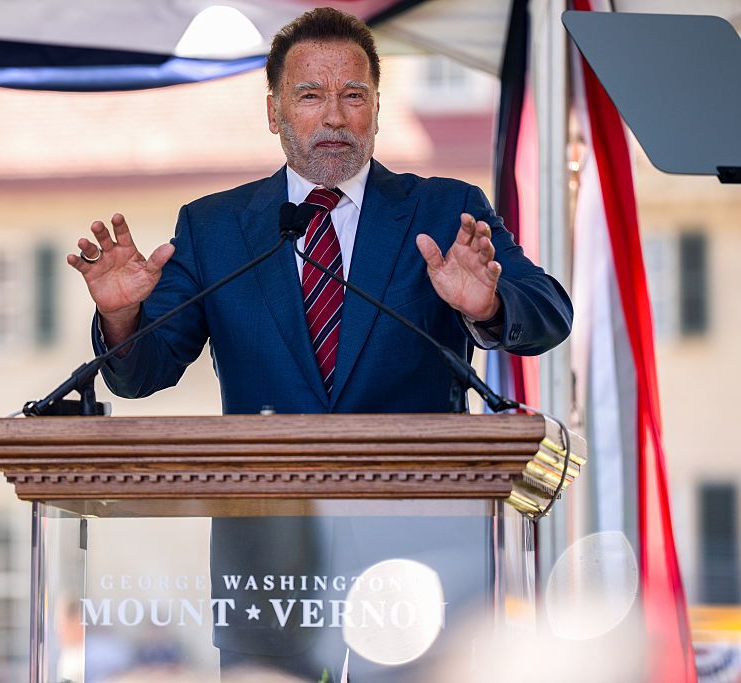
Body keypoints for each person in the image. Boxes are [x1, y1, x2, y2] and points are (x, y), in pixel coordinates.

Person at [68, 7, 573, 680]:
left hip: (422, 556)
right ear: (274, 112)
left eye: (353, 95)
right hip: (268, 564)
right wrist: (125, 316)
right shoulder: (215, 227)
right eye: (310, 95)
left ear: (375, 109)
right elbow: (140, 374)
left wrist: (488, 303)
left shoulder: (444, 209)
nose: (334, 115)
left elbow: (550, 312)